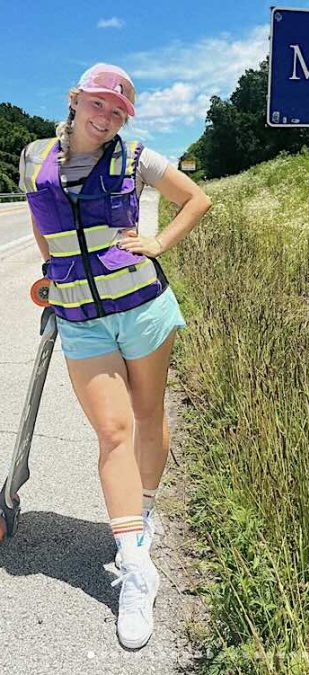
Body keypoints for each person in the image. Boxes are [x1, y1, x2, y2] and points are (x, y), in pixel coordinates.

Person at [18, 63, 211, 650]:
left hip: (144, 309)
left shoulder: (137, 158)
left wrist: (156, 242)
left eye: (118, 112)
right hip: (80, 320)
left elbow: (196, 200)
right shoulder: (32, 157)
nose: (105, 118)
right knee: (112, 430)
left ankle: (142, 512)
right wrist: (52, 276)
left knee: (148, 415)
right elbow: (38, 216)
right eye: (98, 105)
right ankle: (135, 567)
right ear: (76, 99)